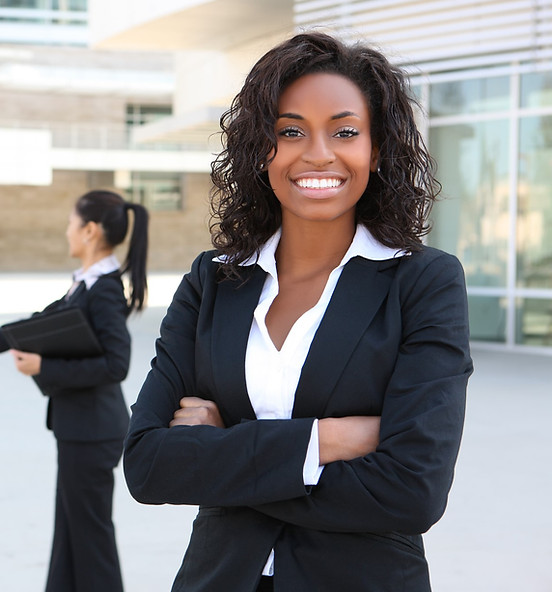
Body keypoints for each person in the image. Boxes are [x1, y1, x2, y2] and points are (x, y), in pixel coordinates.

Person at [123, 32, 473, 592]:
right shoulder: (213, 280)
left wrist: (226, 452)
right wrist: (326, 441)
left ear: (376, 149)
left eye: (344, 131)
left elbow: (413, 489)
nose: (317, 153)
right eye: (291, 131)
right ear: (262, 148)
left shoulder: (423, 281)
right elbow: (147, 464)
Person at [0, 189, 148, 592]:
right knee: (70, 528)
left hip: (92, 432)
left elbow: (117, 365)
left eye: (70, 223)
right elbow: (42, 324)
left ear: (89, 230)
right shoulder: (85, 285)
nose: (66, 231)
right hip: (80, 429)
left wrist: (44, 367)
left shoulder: (103, 290)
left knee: (89, 534)